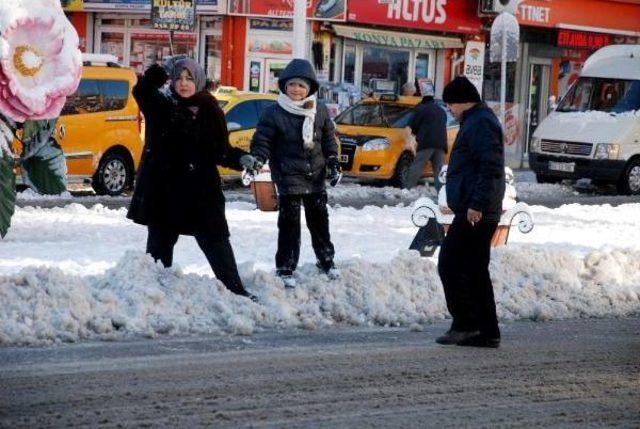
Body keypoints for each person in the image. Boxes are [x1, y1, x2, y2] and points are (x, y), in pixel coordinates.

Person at [127, 58, 258, 301]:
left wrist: (241, 158)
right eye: (178, 78)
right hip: (165, 187)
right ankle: (155, 295)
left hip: (200, 189)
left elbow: (219, 150)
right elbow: (141, 90)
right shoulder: (162, 105)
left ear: (198, 81)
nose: (183, 84)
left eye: (189, 78)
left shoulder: (210, 108)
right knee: (160, 244)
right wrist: (162, 71)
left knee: (215, 238)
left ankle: (235, 290)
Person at [250, 59, 340, 288]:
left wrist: (333, 162)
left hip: (316, 175)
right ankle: (286, 266)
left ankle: (327, 261)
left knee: (319, 222)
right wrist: (258, 159)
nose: (296, 90)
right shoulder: (274, 113)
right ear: (284, 87)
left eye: (301, 85)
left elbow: (329, 141)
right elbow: (262, 141)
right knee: (289, 224)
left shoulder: (319, 111)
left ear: (309, 88)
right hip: (288, 176)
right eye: (291, 85)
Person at [436, 76, 505, 348]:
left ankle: (467, 325)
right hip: (475, 208)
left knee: (451, 264)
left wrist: (476, 204)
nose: (449, 109)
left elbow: (490, 166)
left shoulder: (481, 122)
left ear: (463, 101)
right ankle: (486, 331)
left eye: (450, 104)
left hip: (476, 211)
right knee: (474, 269)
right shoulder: (476, 120)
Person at [404, 85, 447, 190]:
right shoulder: (441, 110)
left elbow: (412, 126)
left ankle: (408, 189)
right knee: (439, 170)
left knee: (417, 166)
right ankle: (441, 192)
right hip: (441, 143)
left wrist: (414, 136)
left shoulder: (421, 109)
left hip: (426, 142)